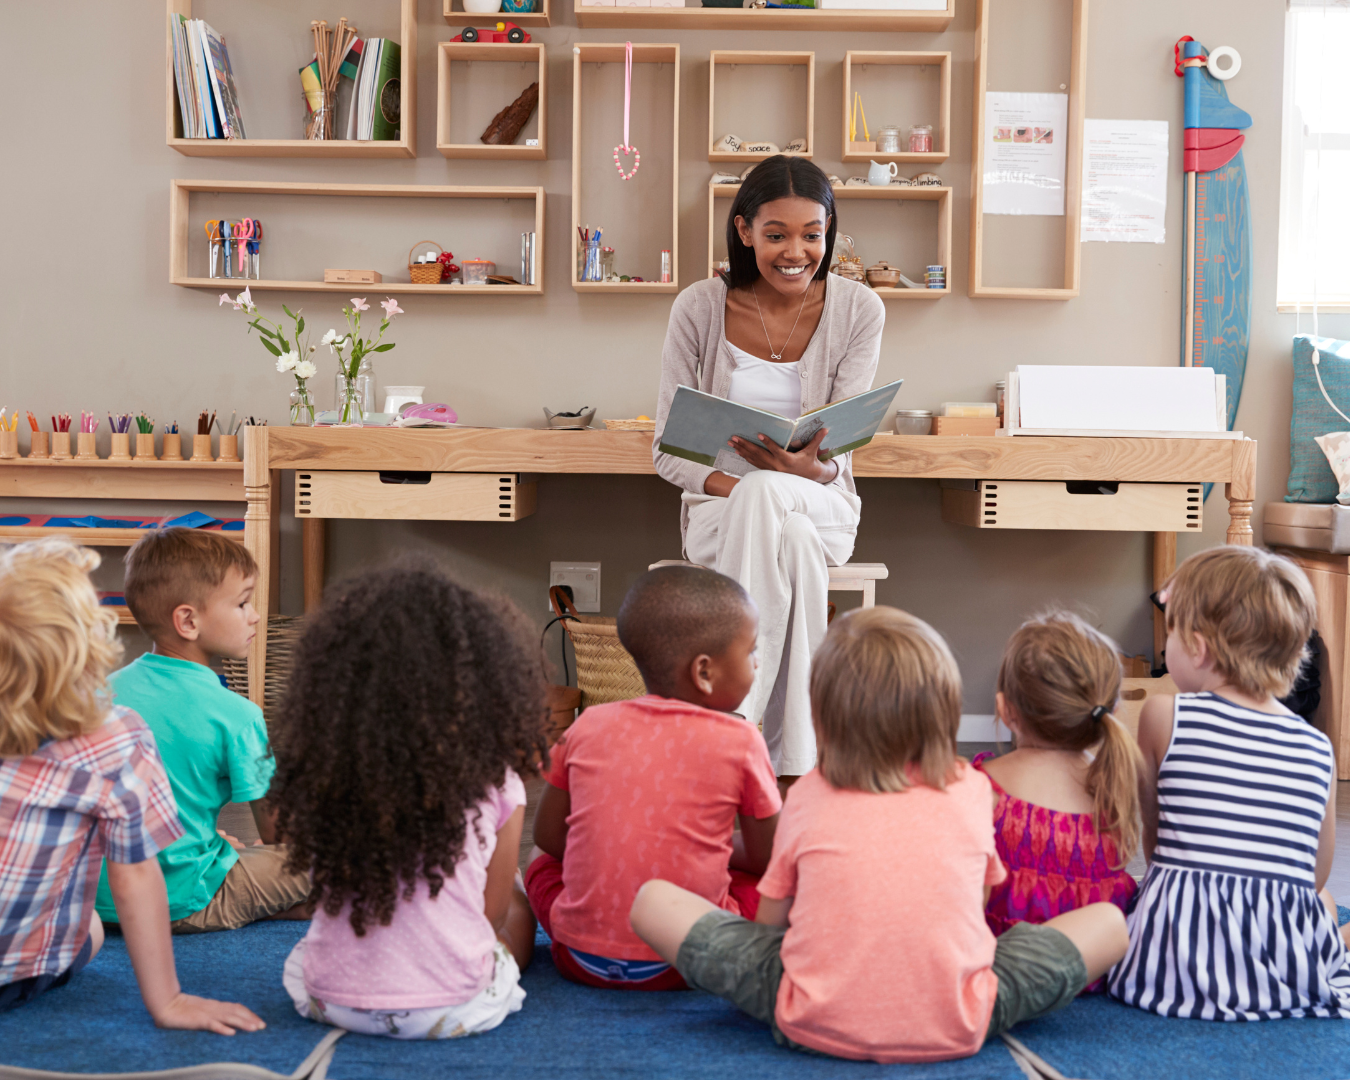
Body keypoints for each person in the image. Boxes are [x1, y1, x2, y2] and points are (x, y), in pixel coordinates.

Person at [630, 607, 1128, 1063]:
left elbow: (768, 931)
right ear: (943, 714)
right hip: (962, 1019)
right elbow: (975, 907)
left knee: (653, 900)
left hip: (808, 1017)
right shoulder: (975, 788)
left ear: (823, 718)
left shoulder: (808, 792)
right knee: (1109, 922)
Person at [653, 155, 885, 782]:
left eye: (813, 234)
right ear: (744, 229)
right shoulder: (699, 307)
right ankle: (793, 760)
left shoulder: (859, 310)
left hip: (824, 502)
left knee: (787, 510)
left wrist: (804, 474)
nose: (796, 251)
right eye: (777, 234)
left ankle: (729, 729)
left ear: (829, 231)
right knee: (789, 536)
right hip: (721, 513)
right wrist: (750, 483)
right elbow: (666, 453)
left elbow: (841, 458)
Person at [272, 563, 546, 1040]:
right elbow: (492, 913)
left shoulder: (323, 776)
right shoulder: (498, 783)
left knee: (311, 950)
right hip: (455, 1010)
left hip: (329, 1000)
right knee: (517, 904)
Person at [0, 538, 263, 1033]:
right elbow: (135, 875)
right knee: (92, 928)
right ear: (85, 646)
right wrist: (169, 1001)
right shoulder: (115, 738)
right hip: (16, 973)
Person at [1110, 546, 1350, 1019]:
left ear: (1198, 647)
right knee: (1322, 898)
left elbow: (1154, 842)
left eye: (1171, 634)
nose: (1166, 648)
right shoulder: (1318, 747)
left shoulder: (1165, 714)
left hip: (1169, 967)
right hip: (1281, 976)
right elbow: (1314, 873)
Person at [526, 566, 781, 990]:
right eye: (751, 651)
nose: (756, 662)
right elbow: (771, 860)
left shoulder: (587, 725)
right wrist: (714, 850)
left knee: (538, 862)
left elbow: (551, 841)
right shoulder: (740, 740)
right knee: (777, 882)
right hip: (686, 961)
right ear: (704, 671)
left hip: (578, 957)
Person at [93, 529, 310, 934]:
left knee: (226, 847)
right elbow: (279, 836)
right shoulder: (238, 714)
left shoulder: (100, 692)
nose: (256, 615)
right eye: (243, 603)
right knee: (334, 861)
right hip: (182, 901)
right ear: (188, 621)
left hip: (97, 899)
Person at [974, 613, 1141, 962]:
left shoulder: (978, 787)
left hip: (997, 959)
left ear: (1005, 710)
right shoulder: (1113, 784)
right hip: (1088, 961)